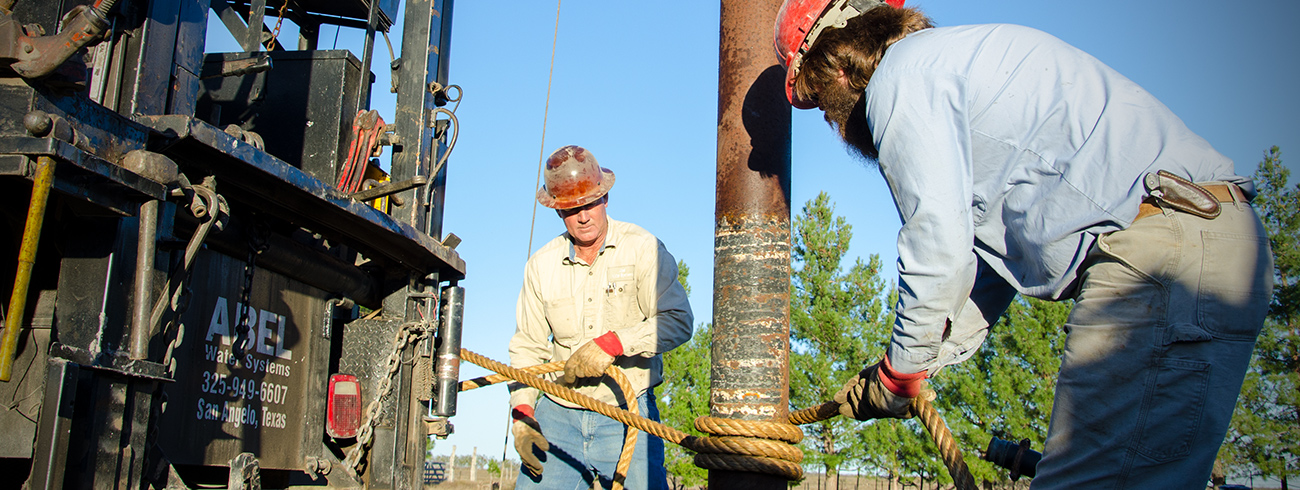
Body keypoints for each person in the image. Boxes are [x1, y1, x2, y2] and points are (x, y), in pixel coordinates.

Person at [773, 0, 1274, 488]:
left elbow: (937, 248)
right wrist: (908, 364)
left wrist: (901, 372)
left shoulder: (901, 78)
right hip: (1209, 245)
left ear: (834, 65)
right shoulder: (953, 63)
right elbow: (983, 272)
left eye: (816, 99)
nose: (827, 118)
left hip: (1163, 258)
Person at [508, 145, 693, 490]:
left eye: (590, 204)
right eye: (571, 209)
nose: (583, 216)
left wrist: (614, 342)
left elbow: (679, 321)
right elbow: (527, 350)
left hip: (627, 411)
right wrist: (523, 414)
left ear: (605, 198)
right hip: (558, 413)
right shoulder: (540, 266)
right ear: (558, 212)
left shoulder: (643, 248)